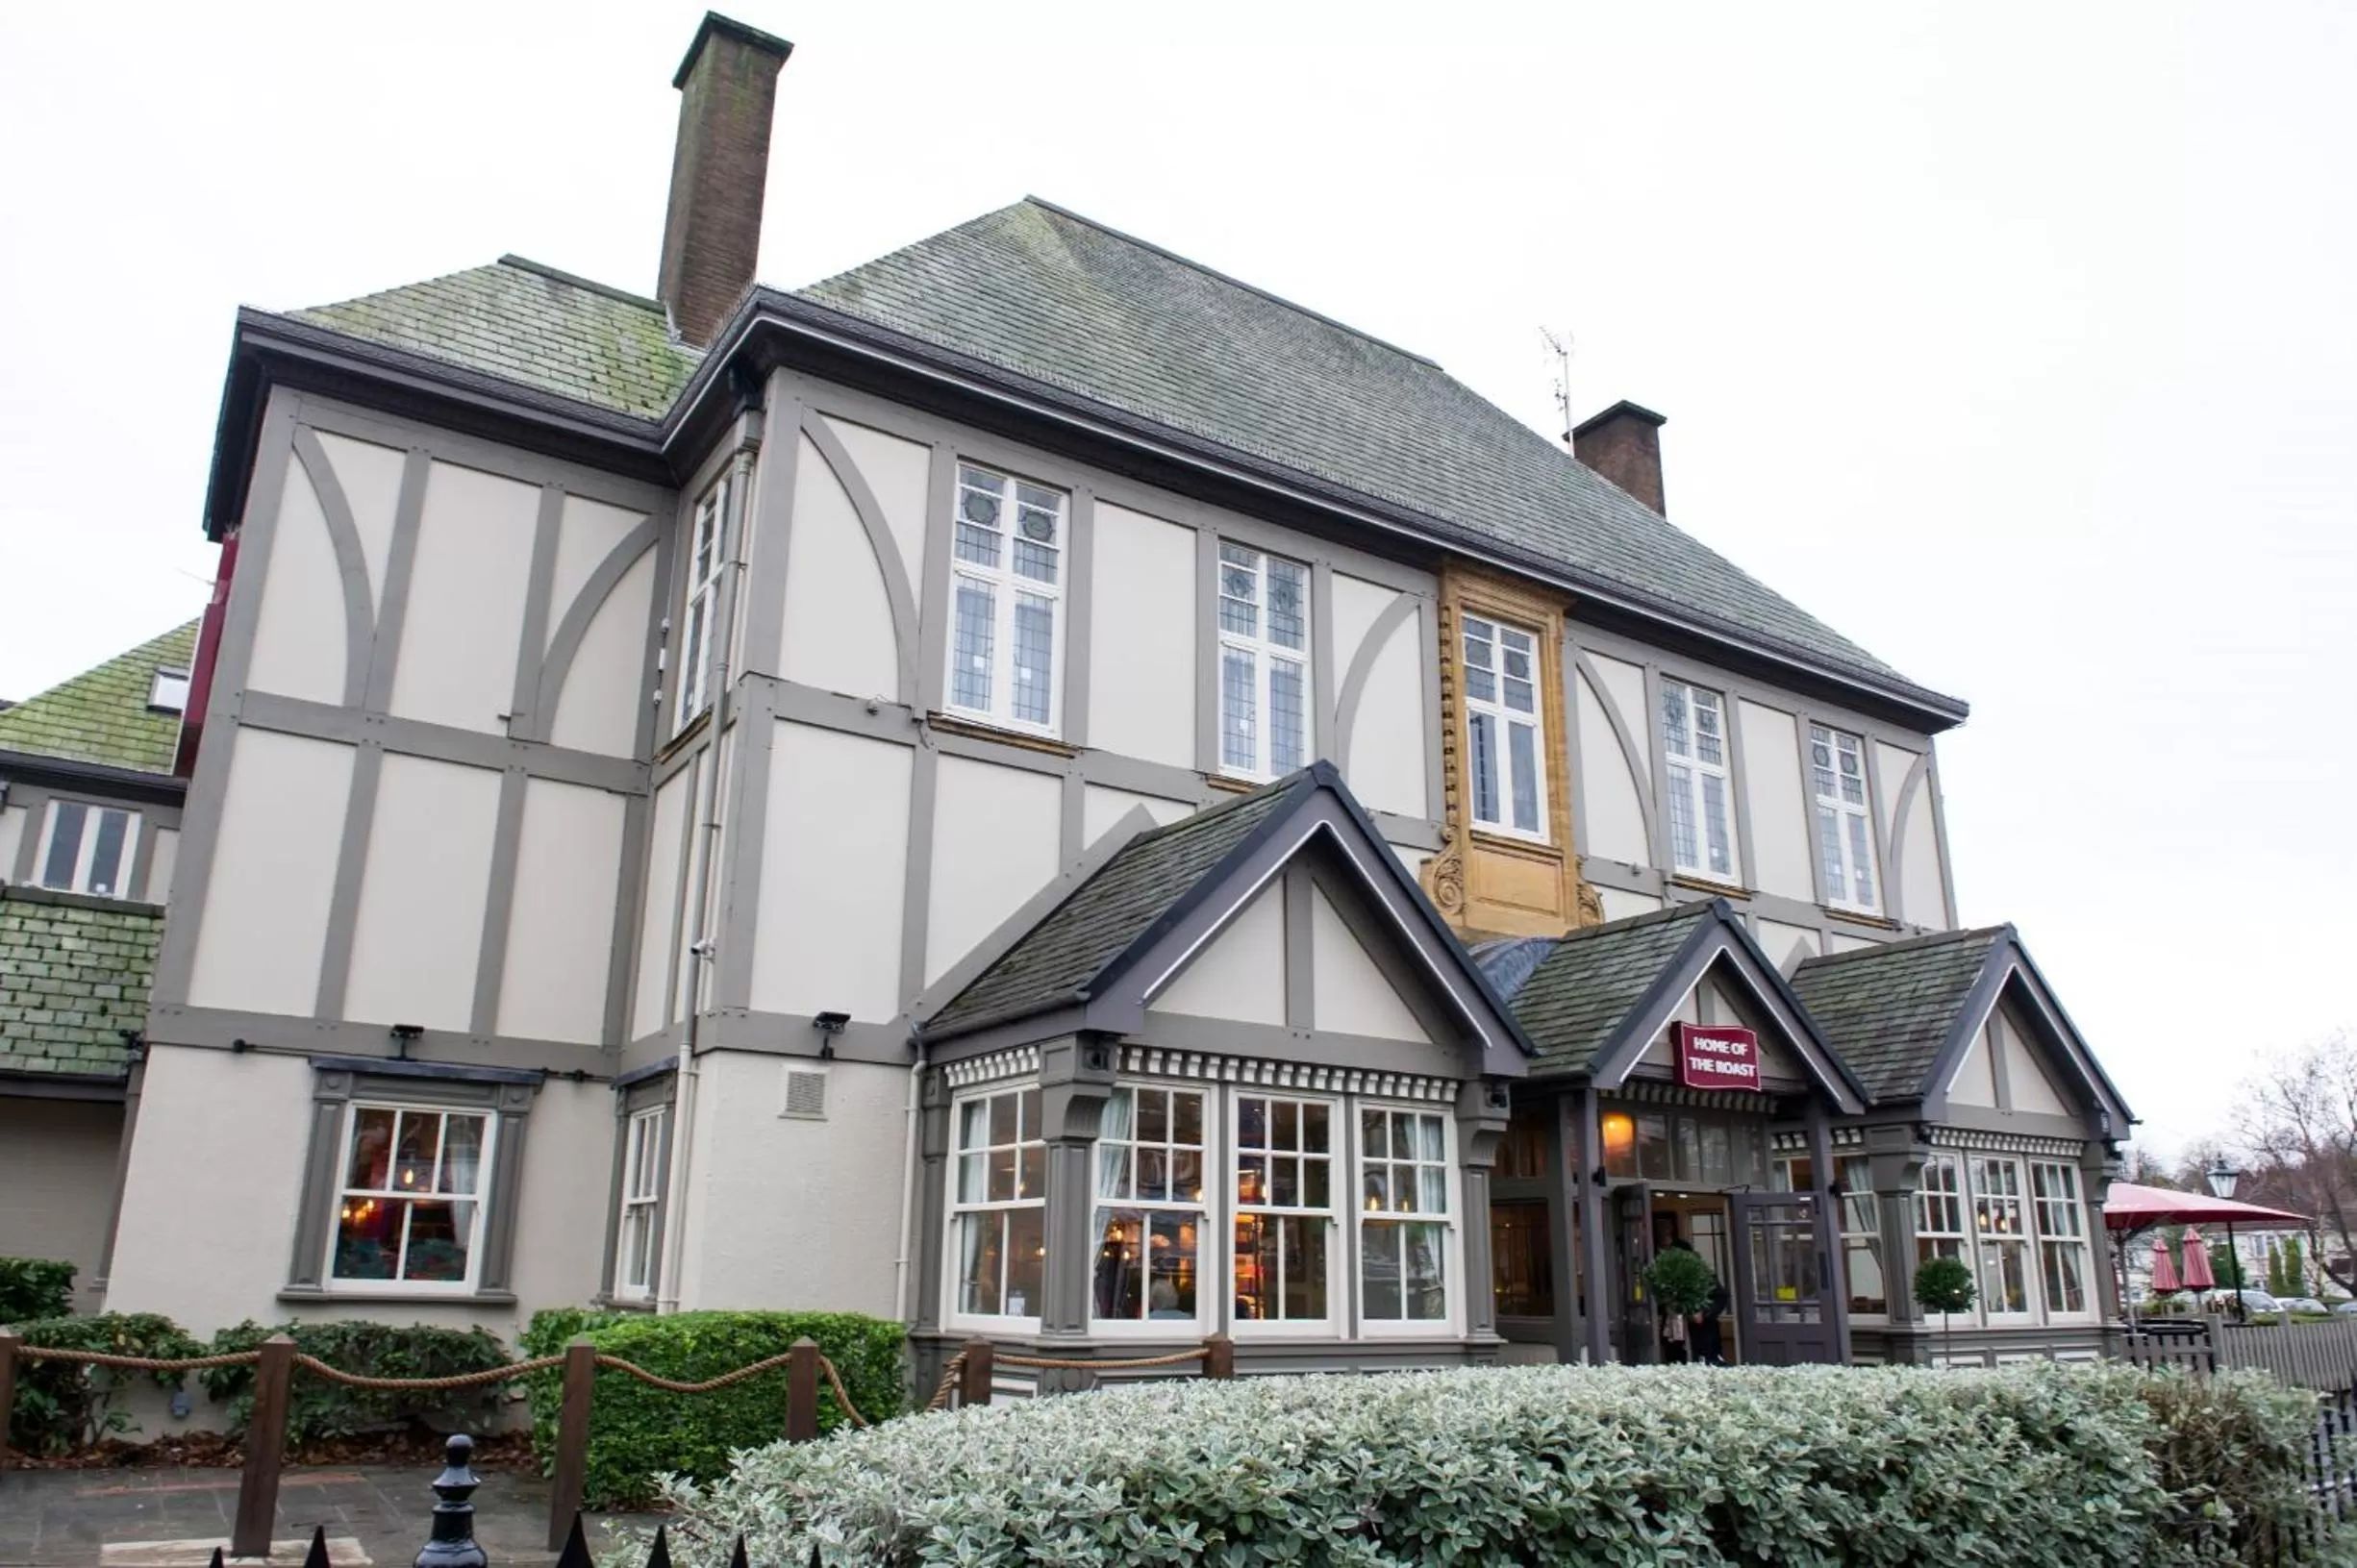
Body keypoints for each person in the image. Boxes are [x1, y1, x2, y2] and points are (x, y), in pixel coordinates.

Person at [1672, 1239, 1732, 1366]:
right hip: (1675, 1331)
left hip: (1703, 1331)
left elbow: (1721, 1297)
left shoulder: (1703, 1274)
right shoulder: (1669, 1277)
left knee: (1708, 1363)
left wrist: (1704, 1313)